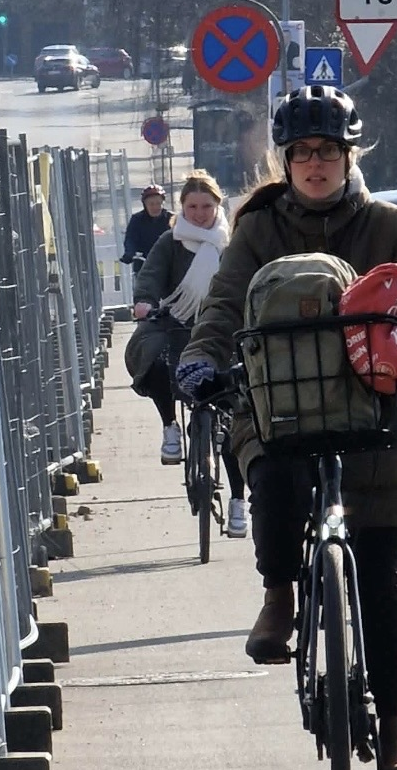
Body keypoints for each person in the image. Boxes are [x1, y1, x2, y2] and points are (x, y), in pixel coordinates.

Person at [174, 85, 397, 770]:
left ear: (349, 156)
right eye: (303, 152)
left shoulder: (388, 225)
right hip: (280, 408)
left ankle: (396, 737)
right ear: (285, 159)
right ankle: (279, 595)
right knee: (274, 475)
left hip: (373, 416)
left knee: (380, 580)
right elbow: (222, 307)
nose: (316, 163)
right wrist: (200, 361)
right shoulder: (258, 229)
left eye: (329, 151)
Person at [124, 170, 250, 537]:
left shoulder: (232, 244)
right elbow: (151, 275)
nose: (199, 214)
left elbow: (248, 279)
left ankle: (239, 503)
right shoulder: (170, 241)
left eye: (206, 206)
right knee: (150, 352)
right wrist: (145, 302)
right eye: (191, 207)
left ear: (218, 205)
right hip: (176, 325)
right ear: (180, 208)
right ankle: (169, 426)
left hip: (223, 333)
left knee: (235, 420)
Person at [119, 184, 173, 274]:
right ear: (145, 204)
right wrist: (129, 253)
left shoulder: (171, 218)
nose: (155, 207)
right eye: (151, 204)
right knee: (142, 286)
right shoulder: (137, 220)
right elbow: (130, 239)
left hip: (167, 265)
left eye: (158, 203)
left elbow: (180, 237)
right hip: (144, 267)